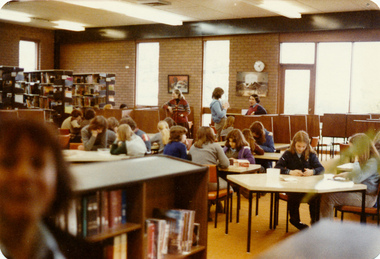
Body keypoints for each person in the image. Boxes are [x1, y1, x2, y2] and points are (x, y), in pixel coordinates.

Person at [0, 118, 101, 258]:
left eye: (38, 164)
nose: (24, 175)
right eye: (8, 162)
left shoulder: (84, 253)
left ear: (58, 178)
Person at [320, 133, 380, 219]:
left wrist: (356, 161)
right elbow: (359, 175)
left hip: (366, 198)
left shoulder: (373, 162)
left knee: (329, 198)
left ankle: (325, 229)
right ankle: (321, 226)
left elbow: (357, 178)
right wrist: (345, 175)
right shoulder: (368, 159)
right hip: (360, 193)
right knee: (325, 194)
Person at [275, 130, 324, 230]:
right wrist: (289, 172)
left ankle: (315, 223)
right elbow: (277, 168)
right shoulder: (288, 154)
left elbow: (321, 169)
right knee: (293, 197)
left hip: (307, 187)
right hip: (293, 187)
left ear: (307, 145)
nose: (301, 149)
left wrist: (312, 172)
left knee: (316, 197)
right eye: (298, 146)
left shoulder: (311, 154)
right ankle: (295, 221)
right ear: (294, 144)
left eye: (303, 146)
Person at [189, 126, 230, 191]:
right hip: (210, 183)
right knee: (230, 187)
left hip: (195, 183)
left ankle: (210, 201)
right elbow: (225, 164)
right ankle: (215, 201)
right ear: (211, 135)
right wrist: (216, 164)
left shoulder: (193, 147)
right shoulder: (215, 146)